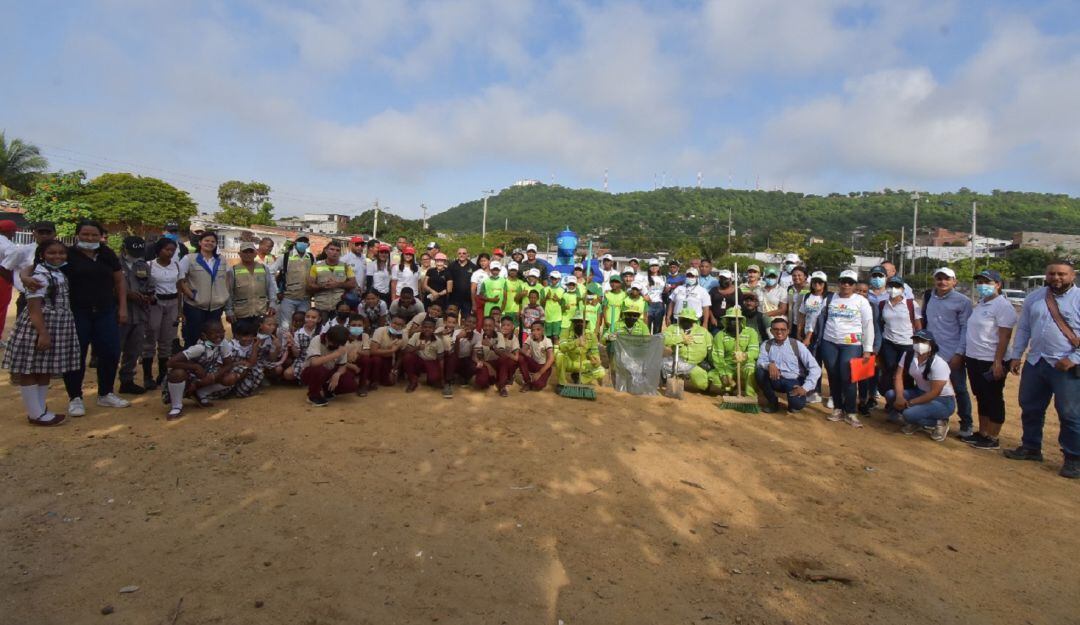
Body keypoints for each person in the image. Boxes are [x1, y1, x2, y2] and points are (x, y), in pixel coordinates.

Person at [1004, 260, 1080, 479]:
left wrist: (1074, 358)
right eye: (1052, 274)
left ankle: (1073, 458)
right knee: (1030, 406)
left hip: (1066, 365)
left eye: (1062, 274)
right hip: (1037, 361)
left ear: (1072, 276)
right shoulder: (1035, 297)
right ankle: (1031, 447)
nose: (1056, 278)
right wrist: (1017, 355)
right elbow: (1024, 328)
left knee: (1070, 414)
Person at [53, 220, 131, 415]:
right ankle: (75, 397)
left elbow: (119, 281)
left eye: (94, 235)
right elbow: (42, 268)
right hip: (77, 311)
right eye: (85, 234)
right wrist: (26, 278)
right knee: (76, 353)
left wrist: (122, 308)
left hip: (105, 310)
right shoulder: (67, 255)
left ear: (100, 236)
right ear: (77, 234)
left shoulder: (107, 254)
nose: (89, 238)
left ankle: (105, 393)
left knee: (110, 351)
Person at [2, 240, 80, 425]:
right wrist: (43, 333)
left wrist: (24, 273)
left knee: (44, 368)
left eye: (61, 253)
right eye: (52, 253)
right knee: (29, 369)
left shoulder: (57, 272)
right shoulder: (39, 277)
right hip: (40, 326)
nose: (57, 256)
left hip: (58, 325)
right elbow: (34, 308)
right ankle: (35, 413)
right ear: (42, 255)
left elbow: (29, 268)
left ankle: (39, 409)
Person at [962, 269, 1018, 450]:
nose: (982, 285)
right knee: (981, 396)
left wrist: (998, 362)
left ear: (998, 285)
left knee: (993, 397)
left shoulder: (1003, 306)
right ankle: (983, 432)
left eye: (987, 282)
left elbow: (1004, 336)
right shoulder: (981, 303)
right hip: (974, 357)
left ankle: (993, 436)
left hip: (991, 360)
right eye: (979, 281)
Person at [814, 269, 875, 428]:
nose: (846, 285)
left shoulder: (861, 301)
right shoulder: (830, 298)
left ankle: (851, 412)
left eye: (850, 282)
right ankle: (838, 408)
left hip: (851, 344)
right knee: (833, 375)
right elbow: (820, 319)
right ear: (839, 282)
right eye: (843, 281)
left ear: (854, 285)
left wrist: (867, 349)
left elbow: (868, 326)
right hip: (830, 342)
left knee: (848, 376)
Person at [921, 267, 974, 439]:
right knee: (933, 387)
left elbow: (966, 328)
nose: (942, 282)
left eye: (947, 279)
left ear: (954, 281)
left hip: (952, 353)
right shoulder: (929, 297)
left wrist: (959, 353)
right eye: (939, 278)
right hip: (932, 354)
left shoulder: (963, 301)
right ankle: (936, 419)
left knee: (959, 389)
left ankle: (966, 423)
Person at [886, 329, 956, 442]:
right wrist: (899, 397)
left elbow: (934, 393)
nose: (919, 344)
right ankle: (916, 420)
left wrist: (910, 403)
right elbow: (898, 376)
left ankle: (940, 422)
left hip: (942, 400)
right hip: (920, 392)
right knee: (890, 395)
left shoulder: (938, 363)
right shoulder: (908, 355)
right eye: (916, 340)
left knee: (908, 414)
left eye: (923, 341)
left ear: (931, 345)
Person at [162, 320, 236, 419]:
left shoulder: (223, 343)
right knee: (177, 373)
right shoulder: (199, 348)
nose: (219, 335)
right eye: (214, 333)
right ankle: (176, 406)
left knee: (231, 377)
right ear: (204, 336)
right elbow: (170, 362)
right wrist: (195, 367)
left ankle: (201, 393)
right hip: (189, 375)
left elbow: (228, 364)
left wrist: (214, 376)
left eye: (221, 332)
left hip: (204, 374)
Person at [876, 274, 922, 414]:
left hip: (907, 344)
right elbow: (881, 324)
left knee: (906, 375)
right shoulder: (883, 304)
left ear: (902, 289)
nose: (893, 289)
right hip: (889, 343)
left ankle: (905, 404)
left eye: (897, 286)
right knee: (889, 372)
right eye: (891, 286)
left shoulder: (911, 304)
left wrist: (919, 345)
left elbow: (918, 326)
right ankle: (891, 403)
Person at [756, 317, 821, 413]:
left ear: (788, 331)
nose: (779, 332)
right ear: (771, 331)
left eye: (783, 329)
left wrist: (805, 388)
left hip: (793, 381)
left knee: (797, 405)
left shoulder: (797, 345)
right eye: (776, 329)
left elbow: (815, 368)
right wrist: (769, 365)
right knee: (759, 372)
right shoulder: (766, 344)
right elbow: (760, 361)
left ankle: (793, 402)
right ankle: (772, 402)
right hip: (775, 379)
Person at [179, 231, 229, 349]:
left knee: (213, 338)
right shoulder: (189, 258)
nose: (209, 243)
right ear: (200, 242)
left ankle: (209, 364)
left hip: (216, 307)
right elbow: (180, 279)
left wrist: (224, 294)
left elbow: (227, 278)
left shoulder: (221, 260)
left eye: (213, 241)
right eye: (206, 240)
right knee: (193, 337)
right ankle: (191, 365)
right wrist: (191, 295)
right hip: (195, 306)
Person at [117, 236, 153, 394]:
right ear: (124, 248)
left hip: (139, 314)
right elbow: (109, 287)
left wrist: (149, 296)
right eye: (133, 251)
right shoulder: (115, 264)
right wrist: (127, 295)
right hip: (119, 313)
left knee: (134, 349)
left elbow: (150, 285)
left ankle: (127, 381)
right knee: (114, 349)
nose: (135, 254)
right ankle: (106, 385)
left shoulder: (143, 265)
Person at [301, 325, 358, 406]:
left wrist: (337, 374)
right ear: (327, 338)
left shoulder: (341, 344)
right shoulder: (317, 339)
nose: (335, 346)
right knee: (319, 370)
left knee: (351, 384)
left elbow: (342, 365)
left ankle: (328, 390)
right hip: (310, 373)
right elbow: (314, 362)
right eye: (334, 343)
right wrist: (336, 354)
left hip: (329, 372)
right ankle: (313, 396)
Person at [708, 308, 759, 398]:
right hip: (727, 366)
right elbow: (717, 357)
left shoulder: (751, 332)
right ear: (726, 321)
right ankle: (729, 388)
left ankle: (750, 396)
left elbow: (755, 352)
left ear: (741, 321)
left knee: (751, 368)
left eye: (736, 320)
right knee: (714, 377)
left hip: (744, 365)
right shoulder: (720, 335)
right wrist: (723, 373)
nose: (733, 322)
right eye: (730, 320)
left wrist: (745, 355)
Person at [226, 240, 277, 326]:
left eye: (251, 251)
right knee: (242, 338)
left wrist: (272, 303)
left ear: (255, 253)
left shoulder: (264, 268)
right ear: (239, 254)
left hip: (260, 311)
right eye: (245, 252)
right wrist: (229, 311)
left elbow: (270, 288)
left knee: (260, 337)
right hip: (240, 313)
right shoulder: (233, 270)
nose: (248, 254)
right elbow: (228, 292)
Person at [661, 307, 710, 392]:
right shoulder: (673, 328)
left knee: (703, 384)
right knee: (660, 364)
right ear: (679, 318)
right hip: (678, 362)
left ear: (694, 320)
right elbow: (662, 339)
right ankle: (672, 378)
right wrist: (680, 338)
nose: (686, 321)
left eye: (688, 319)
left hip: (696, 364)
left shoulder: (703, 331)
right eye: (683, 319)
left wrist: (709, 363)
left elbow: (711, 348)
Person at [799, 271, 829, 404]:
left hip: (822, 335)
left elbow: (818, 320)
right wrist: (799, 332)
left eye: (820, 282)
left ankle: (832, 394)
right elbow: (802, 315)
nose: (817, 284)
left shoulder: (828, 298)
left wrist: (808, 337)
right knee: (812, 364)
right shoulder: (807, 297)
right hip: (807, 334)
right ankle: (814, 391)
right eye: (815, 281)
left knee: (826, 365)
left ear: (824, 284)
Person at [272, 236, 315, 327]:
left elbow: (315, 275)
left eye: (305, 241)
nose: (303, 243)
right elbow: (271, 272)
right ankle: (285, 341)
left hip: (305, 299)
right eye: (300, 241)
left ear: (308, 245)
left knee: (304, 325)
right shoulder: (285, 257)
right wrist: (277, 291)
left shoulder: (311, 257)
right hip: (288, 298)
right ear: (295, 243)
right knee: (285, 325)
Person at [554, 312, 605, 389]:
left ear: (586, 324)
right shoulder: (565, 332)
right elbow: (562, 347)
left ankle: (580, 379)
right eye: (577, 321)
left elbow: (595, 352)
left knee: (601, 371)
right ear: (573, 323)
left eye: (582, 322)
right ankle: (562, 383)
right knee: (559, 355)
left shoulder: (592, 336)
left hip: (583, 364)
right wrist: (576, 342)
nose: (579, 324)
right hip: (569, 362)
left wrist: (596, 360)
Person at [308, 241, 356, 321]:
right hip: (321, 306)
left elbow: (353, 283)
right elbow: (310, 285)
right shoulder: (316, 267)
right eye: (332, 249)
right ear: (326, 251)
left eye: (337, 250)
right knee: (321, 330)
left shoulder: (345, 266)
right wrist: (323, 286)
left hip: (339, 307)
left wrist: (338, 284)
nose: (335, 252)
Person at [475, 317, 519, 396]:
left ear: (494, 327)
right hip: (486, 363)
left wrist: (491, 346)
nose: (487, 328)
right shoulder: (479, 337)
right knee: (481, 381)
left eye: (490, 326)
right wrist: (489, 366)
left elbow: (502, 354)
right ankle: (494, 380)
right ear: (482, 326)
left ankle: (502, 387)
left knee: (504, 359)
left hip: (498, 362)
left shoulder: (499, 335)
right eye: (485, 325)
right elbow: (478, 357)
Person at [402, 317, 446, 393]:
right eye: (425, 327)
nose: (427, 329)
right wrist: (417, 348)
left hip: (431, 362)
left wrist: (441, 377)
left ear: (434, 329)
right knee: (408, 357)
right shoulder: (416, 335)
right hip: (419, 361)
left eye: (430, 327)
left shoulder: (438, 341)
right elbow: (406, 350)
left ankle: (431, 379)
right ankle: (413, 380)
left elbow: (441, 360)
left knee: (433, 379)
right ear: (421, 327)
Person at [283, 309, 321, 385]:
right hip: (304, 359)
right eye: (307, 317)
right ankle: (309, 379)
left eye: (313, 317)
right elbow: (297, 355)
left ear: (319, 319)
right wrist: (292, 342)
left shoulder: (323, 330)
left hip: (320, 358)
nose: (310, 319)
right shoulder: (298, 332)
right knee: (288, 374)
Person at [369, 314, 407, 387]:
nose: (396, 326)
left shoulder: (404, 336)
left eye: (400, 325)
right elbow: (373, 351)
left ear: (404, 326)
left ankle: (385, 375)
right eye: (394, 323)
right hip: (376, 356)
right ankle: (373, 380)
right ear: (390, 323)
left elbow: (401, 355)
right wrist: (391, 350)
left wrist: (394, 370)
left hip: (388, 358)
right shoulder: (380, 330)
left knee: (390, 383)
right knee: (376, 360)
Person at [518, 321, 555, 391]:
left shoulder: (547, 341)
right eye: (533, 330)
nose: (535, 332)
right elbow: (523, 350)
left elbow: (551, 359)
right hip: (534, 364)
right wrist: (523, 352)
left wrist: (539, 373)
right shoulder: (530, 338)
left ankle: (538, 379)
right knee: (521, 357)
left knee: (538, 385)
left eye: (538, 329)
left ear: (543, 330)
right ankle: (527, 382)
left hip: (544, 367)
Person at [446, 314, 480, 387]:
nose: (471, 324)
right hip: (456, 357)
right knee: (452, 358)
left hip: (467, 359)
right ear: (464, 322)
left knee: (474, 366)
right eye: (469, 321)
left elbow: (474, 355)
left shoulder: (477, 335)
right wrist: (458, 339)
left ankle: (464, 377)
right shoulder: (457, 332)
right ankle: (449, 380)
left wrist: (478, 362)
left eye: (473, 323)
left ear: (476, 325)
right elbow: (456, 352)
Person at [0, 219, 17, 341]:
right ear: (11, 231)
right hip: (2, 279)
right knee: (1, 308)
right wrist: (11, 280)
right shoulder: (8, 246)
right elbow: (5, 267)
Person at [448, 248, 476, 317]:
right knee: (452, 319)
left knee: (466, 320)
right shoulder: (451, 266)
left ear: (467, 254)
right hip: (454, 299)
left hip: (467, 300)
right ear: (457, 254)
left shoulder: (473, 267)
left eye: (464, 253)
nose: (461, 255)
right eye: (459, 253)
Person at [341, 236, 369, 306]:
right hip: (349, 294)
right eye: (357, 244)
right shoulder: (344, 259)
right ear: (351, 245)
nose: (360, 247)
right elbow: (340, 278)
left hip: (362, 294)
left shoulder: (364, 258)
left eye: (362, 245)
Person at [644, 259, 667, 333]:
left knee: (657, 328)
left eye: (656, 265)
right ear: (649, 267)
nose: (654, 267)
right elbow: (641, 290)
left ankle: (655, 344)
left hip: (659, 305)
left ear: (658, 267)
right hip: (648, 304)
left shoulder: (663, 278)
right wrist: (645, 296)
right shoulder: (644, 278)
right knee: (647, 327)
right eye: (652, 266)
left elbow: (664, 291)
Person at [542, 271, 565, 342]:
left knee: (556, 337)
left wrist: (558, 300)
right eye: (552, 278)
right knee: (547, 338)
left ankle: (556, 352)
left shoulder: (563, 290)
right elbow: (541, 304)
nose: (553, 280)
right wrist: (546, 298)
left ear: (559, 279)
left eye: (555, 279)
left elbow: (564, 305)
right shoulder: (544, 289)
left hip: (557, 318)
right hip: (547, 317)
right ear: (549, 278)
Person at [785, 266, 809, 332]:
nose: (796, 277)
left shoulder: (810, 289)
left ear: (805, 276)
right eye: (794, 275)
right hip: (791, 324)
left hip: (805, 326)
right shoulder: (790, 289)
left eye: (799, 275)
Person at [502, 262, 525, 327]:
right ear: (508, 270)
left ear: (517, 271)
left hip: (516, 312)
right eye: (511, 270)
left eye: (514, 270)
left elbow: (522, 300)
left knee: (515, 333)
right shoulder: (504, 281)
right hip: (505, 311)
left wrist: (520, 310)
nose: (513, 272)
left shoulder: (521, 283)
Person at [469, 253, 491, 317]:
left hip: (492, 300)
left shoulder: (494, 272)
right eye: (481, 261)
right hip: (480, 301)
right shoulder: (476, 273)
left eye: (484, 261)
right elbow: (473, 290)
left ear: (489, 261)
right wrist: (473, 304)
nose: (482, 263)